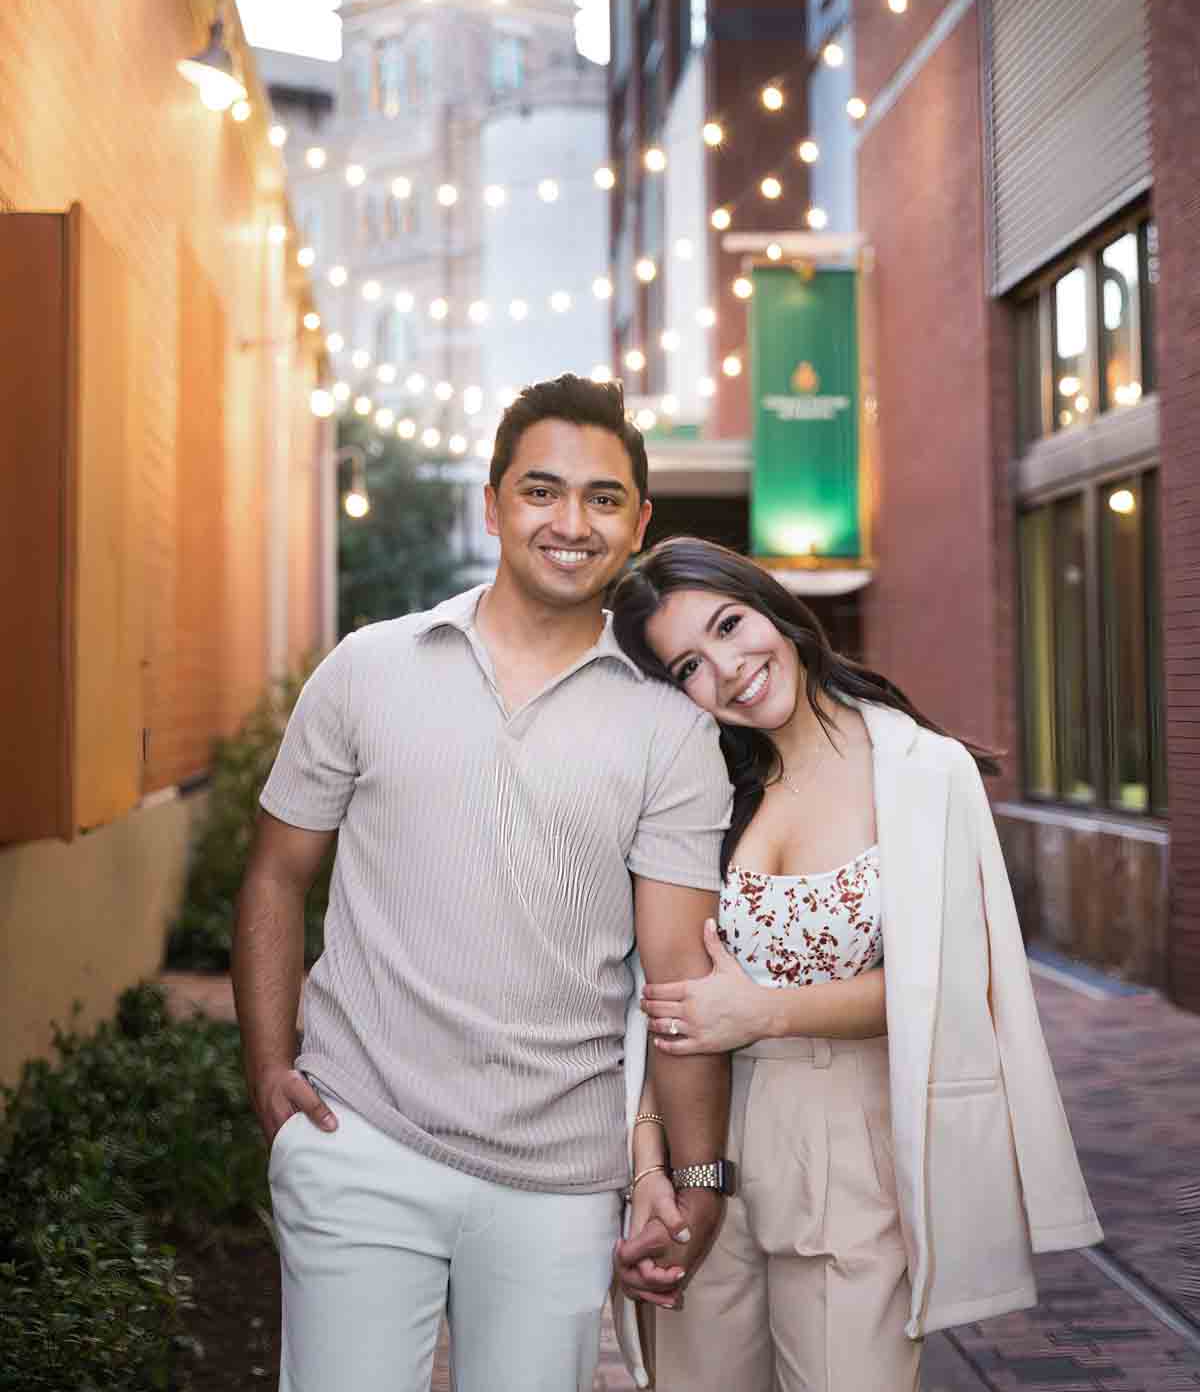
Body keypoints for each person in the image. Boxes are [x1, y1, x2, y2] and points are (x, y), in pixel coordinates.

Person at [232, 378, 735, 1392]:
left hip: (558, 1178)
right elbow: (277, 876)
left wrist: (695, 1174)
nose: (569, 521)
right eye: (541, 490)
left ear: (638, 523)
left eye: (602, 499)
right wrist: (267, 1067)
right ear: (494, 503)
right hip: (359, 1140)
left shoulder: (671, 731)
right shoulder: (370, 668)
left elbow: (679, 973)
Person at [610, 536, 1102, 1392]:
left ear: (774, 607)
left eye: (730, 625)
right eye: (689, 664)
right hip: (701, 1140)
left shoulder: (923, 773)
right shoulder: (698, 786)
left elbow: (952, 980)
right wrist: (649, 1164)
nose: (727, 669)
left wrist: (766, 1013)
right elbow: (663, 1000)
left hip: (849, 1146)